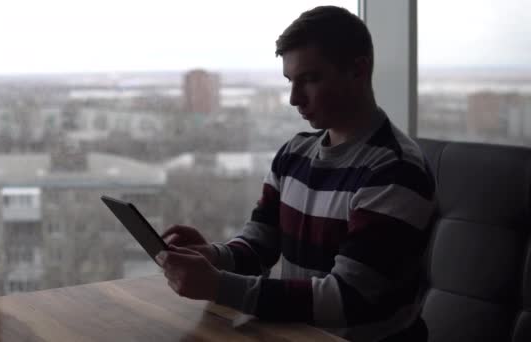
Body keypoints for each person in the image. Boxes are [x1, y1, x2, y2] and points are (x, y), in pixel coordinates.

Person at [156, 5, 436, 342]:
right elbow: (258, 247)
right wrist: (213, 257)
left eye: (311, 79)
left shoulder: (396, 170)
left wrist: (217, 284)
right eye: (290, 81)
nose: (293, 99)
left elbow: (345, 300)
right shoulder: (293, 154)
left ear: (359, 70)